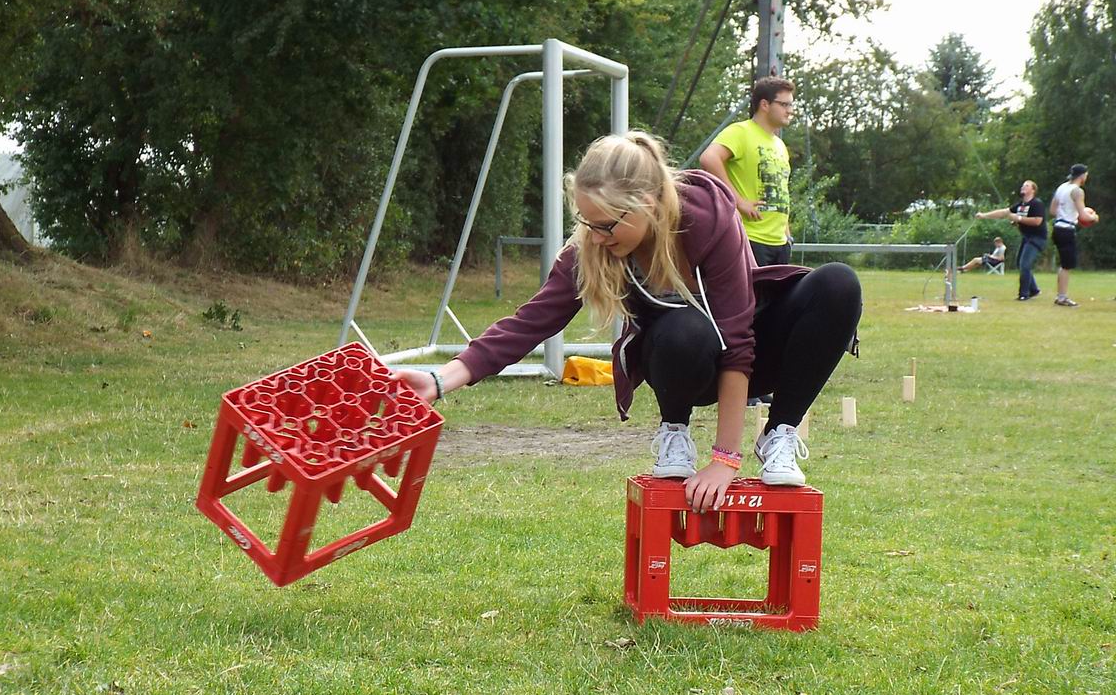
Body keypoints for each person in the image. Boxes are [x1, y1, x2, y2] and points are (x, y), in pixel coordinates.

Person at [396, 132, 862, 512]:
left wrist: (725, 460)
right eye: (588, 223)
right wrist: (439, 379)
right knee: (684, 329)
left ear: (649, 203)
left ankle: (779, 434)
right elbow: (531, 321)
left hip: (747, 356)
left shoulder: (706, 216)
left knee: (838, 284)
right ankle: (674, 432)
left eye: (607, 224)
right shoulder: (593, 245)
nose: (597, 236)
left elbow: (737, 341)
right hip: (683, 363)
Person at [698, 76, 795, 267]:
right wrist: (739, 201)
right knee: (750, 289)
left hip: (780, 243)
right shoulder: (740, 131)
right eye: (784, 104)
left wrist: (787, 233)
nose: (790, 110)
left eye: (791, 105)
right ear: (765, 105)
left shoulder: (780, 145)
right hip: (749, 238)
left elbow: (781, 190)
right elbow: (709, 158)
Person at [974, 179, 1046, 300]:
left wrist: (1019, 219)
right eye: (1023, 185)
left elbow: (1037, 221)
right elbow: (1003, 212)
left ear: (1033, 190)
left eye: (1027, 186)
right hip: (1026, 238)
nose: (1023, 187)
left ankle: (1024, 294)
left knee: (1024, 265)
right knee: (1020, 264)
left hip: (1037, 238)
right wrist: (984, 215)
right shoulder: (1020, 205)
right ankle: (1034, 290)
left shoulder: (1036, 204)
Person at [1048, 163, 1093, 307]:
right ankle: (1062, 297)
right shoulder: (1077, 191)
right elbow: (1083, 216)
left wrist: (1068, 213)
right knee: (1067, 265)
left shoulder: (1062, 187)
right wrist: (1094, 217)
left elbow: (1053, 210)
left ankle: (1060, 295)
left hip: (1057, 227)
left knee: (1064, 264)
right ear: (1083, 176)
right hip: (1067, 229)